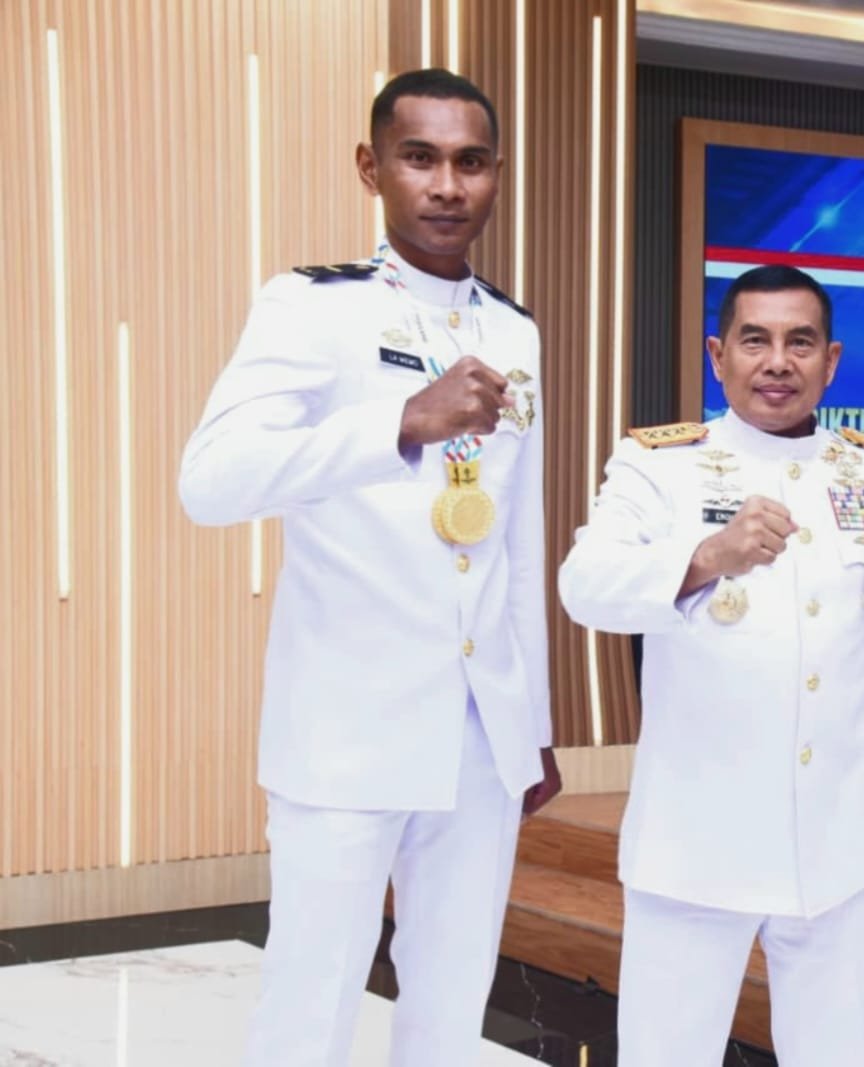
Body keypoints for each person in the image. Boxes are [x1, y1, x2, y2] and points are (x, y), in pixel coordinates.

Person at [178, 69, 560, 1067]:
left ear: (496, 174)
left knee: (451, 1001)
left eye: (470, 162)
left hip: (480, 731)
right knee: (312, 1001)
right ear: (372, 167)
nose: (447, 185)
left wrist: (532, 723)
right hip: (345, 724)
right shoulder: (312, 306)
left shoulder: (513, 330)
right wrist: (398, 422)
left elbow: (516, 540)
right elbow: (210, 482)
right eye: (419, 158)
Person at [558, 265, 864, 1067]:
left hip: (829, 839)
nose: (778, 362)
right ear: (717, 355)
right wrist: (704, 557)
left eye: (801, 342)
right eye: (755, 340)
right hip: (698, 842)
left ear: (831, 360)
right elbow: (585, 586)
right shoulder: (659, 466)